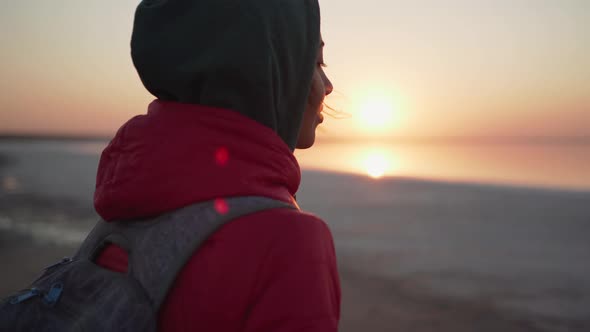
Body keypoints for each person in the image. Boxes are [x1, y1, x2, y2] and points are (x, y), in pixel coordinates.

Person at [94, 0, 341, 331]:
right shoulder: (288, 243)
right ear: (263, 66)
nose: (327, 85)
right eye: (316, 61)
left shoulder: (126, 206)